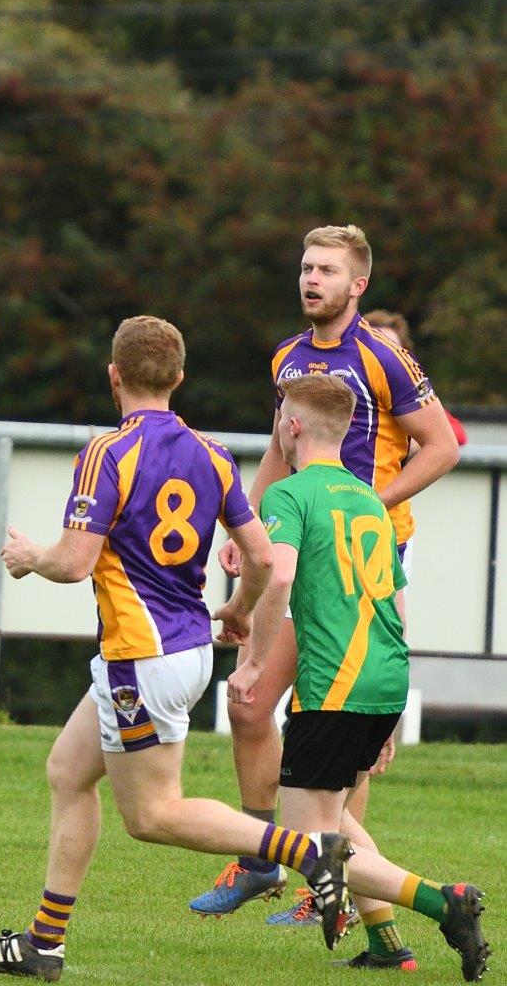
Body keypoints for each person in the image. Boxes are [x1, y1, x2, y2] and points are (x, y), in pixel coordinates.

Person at [0, 316, 357, 981]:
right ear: (178, 378)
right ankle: (43, 942)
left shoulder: (108, 451)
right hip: (181, 647)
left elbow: (77, 562)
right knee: (66, 771)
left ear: (114, 375)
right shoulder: (212, 452)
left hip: (140, 658)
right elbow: (259, 557)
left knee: (152, 815)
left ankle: (305, 853)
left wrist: (31, 558)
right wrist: (235, 609)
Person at [189, 224, 460, 921]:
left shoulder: (384, 357)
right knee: (248, 703)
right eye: (307, 268)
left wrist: (369, 506)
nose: (312, 279)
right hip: (294, 546)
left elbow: (441, 449)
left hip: (360, 564)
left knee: (334, 717)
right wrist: (245, 525)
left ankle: (328, 887)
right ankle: (263, 859)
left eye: (328, 271)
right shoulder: (288, 356)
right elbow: (286, 446)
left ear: (357, 285)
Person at [228, 374, 487, 980]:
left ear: (291, 427)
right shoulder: (373, 499)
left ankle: (444, 901)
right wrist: (391, 712)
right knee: (333, 815)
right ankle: (388, 945)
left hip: (335, 687)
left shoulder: (288, 496)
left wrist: (256, 662)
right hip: (384, 677)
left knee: (308, 839)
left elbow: (280, 577)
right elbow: (396, 606)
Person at [364, 309, 468, 445]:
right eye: (378, 347)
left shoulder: (408, 388)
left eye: (392, 347)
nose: (384, 355)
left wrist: (411, 442)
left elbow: (456, 434)